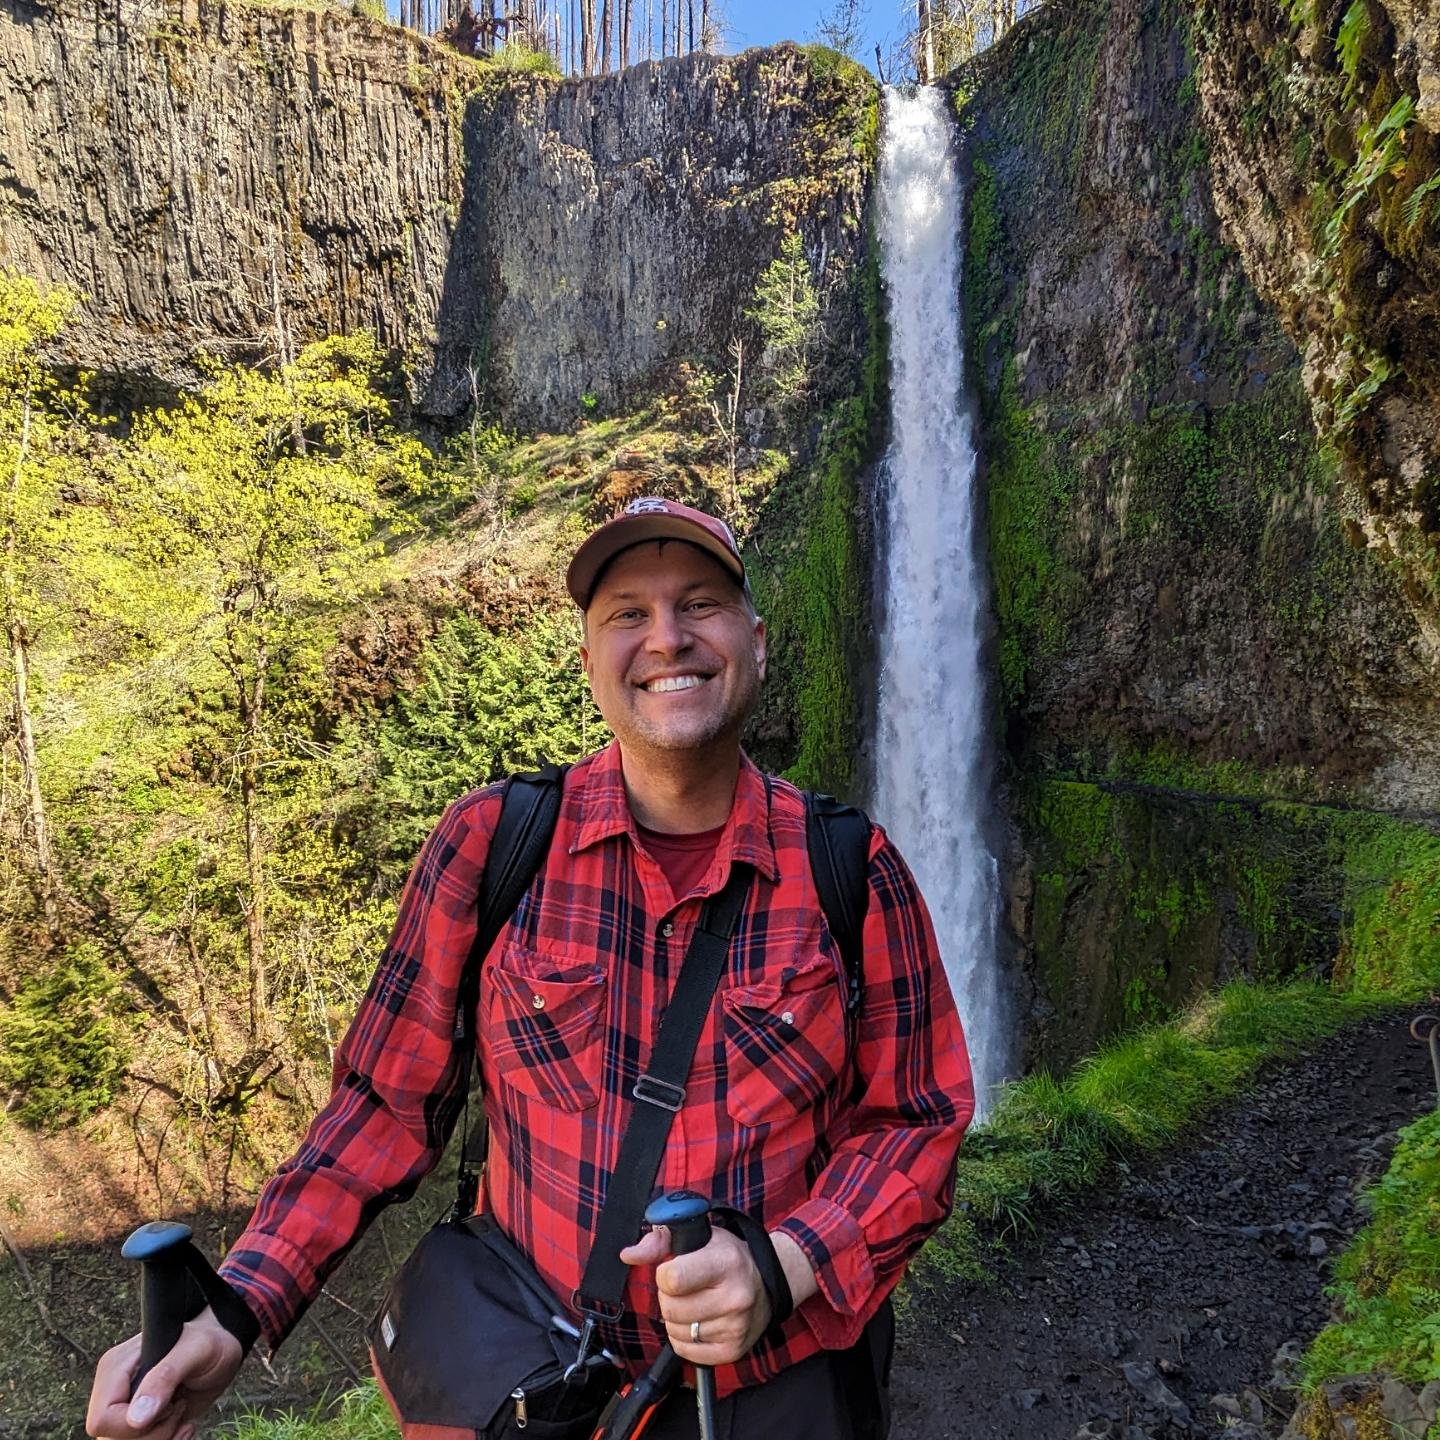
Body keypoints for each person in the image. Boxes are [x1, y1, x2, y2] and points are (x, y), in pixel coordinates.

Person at [87, 496, 974, 1440]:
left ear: (755, 641)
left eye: (701, 604)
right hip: (541, 1386)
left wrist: (783, 1262)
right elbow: (383, 1105)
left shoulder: (849, 869)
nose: (667, 638)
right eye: (627, 613)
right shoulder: (494, 847)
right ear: (588, 658)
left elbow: (917, 1119)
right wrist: (237, 1306)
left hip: (776, 1389)